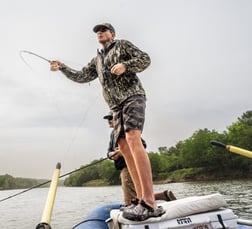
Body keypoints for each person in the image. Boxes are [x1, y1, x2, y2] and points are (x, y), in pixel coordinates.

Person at [50, 22, 164, 221]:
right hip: (115, 107)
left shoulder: (123, 45)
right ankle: (139, 199)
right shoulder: (97, 60)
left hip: (132, 96)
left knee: (132, 137)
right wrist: (61, 67)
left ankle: (150, 202)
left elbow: (145, 59)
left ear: (112, 33)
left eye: (104, 30)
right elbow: (81, 76)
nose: (100, 33)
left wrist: (125, 66)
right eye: (97, 31)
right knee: (122, 144)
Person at [103, 111, 176, 206]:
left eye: (110, 118)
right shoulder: (113, 134)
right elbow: (108, 152)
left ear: (117, 119)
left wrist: (122, 152)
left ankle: (135, 213)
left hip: (129, 167)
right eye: (108, 119)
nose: (109, 121)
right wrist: (113, 154)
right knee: (139, 194)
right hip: (123, 169)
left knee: (130, 198)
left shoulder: (124, 131)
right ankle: (163, 196)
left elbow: (142, 144)